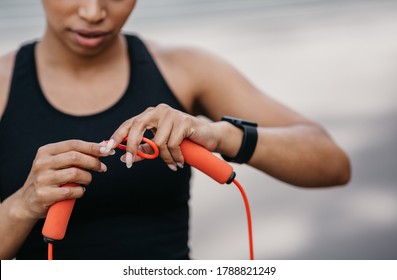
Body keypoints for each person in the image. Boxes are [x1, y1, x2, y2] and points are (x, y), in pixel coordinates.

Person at [0, 0, 350, 260]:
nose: (93, 12)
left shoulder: (186, 69)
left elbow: (332, 163)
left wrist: (222, 135)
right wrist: (23, 205)